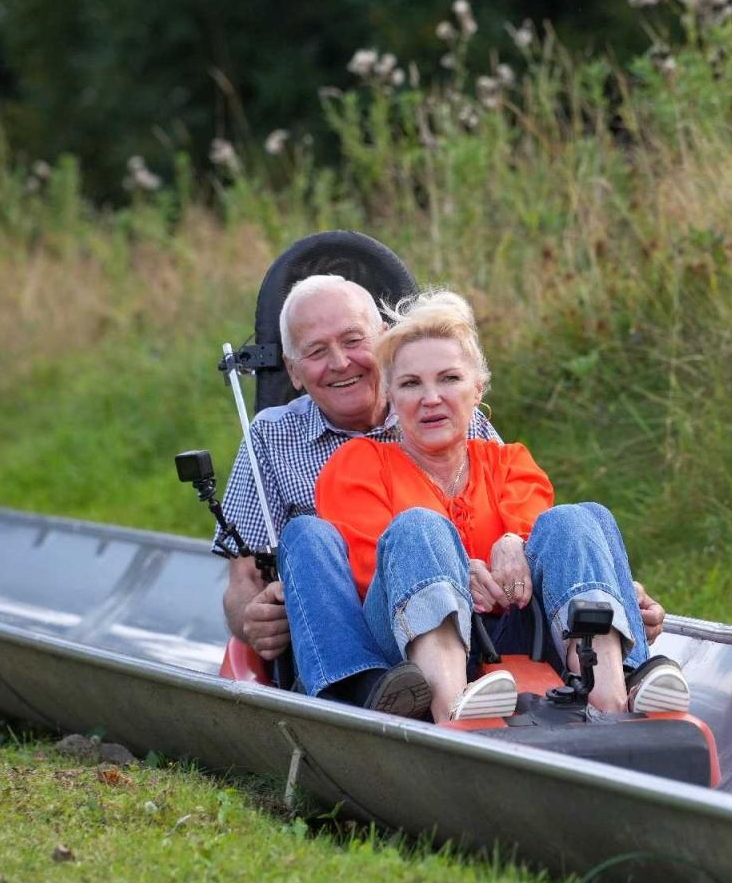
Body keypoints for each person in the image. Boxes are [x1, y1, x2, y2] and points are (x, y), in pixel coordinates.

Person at [214, 274, 667, 716]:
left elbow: (545, 531)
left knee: (584, 517)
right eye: (317, 351)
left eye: (353, 341)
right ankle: (395, 696)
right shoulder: (321, 453)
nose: (340, 362)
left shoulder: (492, 447)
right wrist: (253, 621)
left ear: (476, 389)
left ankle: (617, 688)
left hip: (510, 624)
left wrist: (602, 579)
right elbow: (352, 564)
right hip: (381, 623)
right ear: (294, 370)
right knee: (355, 531)